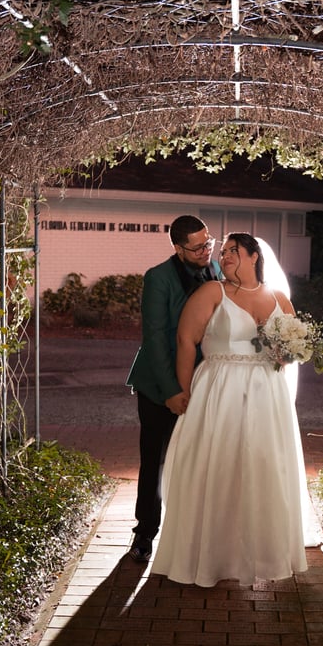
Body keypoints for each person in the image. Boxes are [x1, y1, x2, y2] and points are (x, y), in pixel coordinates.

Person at [150, 233, 311, 587]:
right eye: (222, 252)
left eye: (233, 251)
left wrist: (287, 354)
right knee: (216, 464)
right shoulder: (212, 293)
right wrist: (181, 390)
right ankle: (208, 555)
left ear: (255, 256)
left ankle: (259, 551)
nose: (224, 257)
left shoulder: (279, 299)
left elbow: (291, 350)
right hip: (218, 388)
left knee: (261, 466)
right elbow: (186, 340)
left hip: (266, 393)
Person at [124, 215, 221, 562]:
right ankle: (144, 535)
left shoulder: (217, 271)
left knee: (200, 461)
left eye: (208, 243)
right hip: (158, 385)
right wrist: (171, 391)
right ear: (178, 248)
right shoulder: (158, 278)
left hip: (205, 383)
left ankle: (193, 537)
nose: (205, 251)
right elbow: (154, 339)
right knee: (155, 461)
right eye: (197, 247)